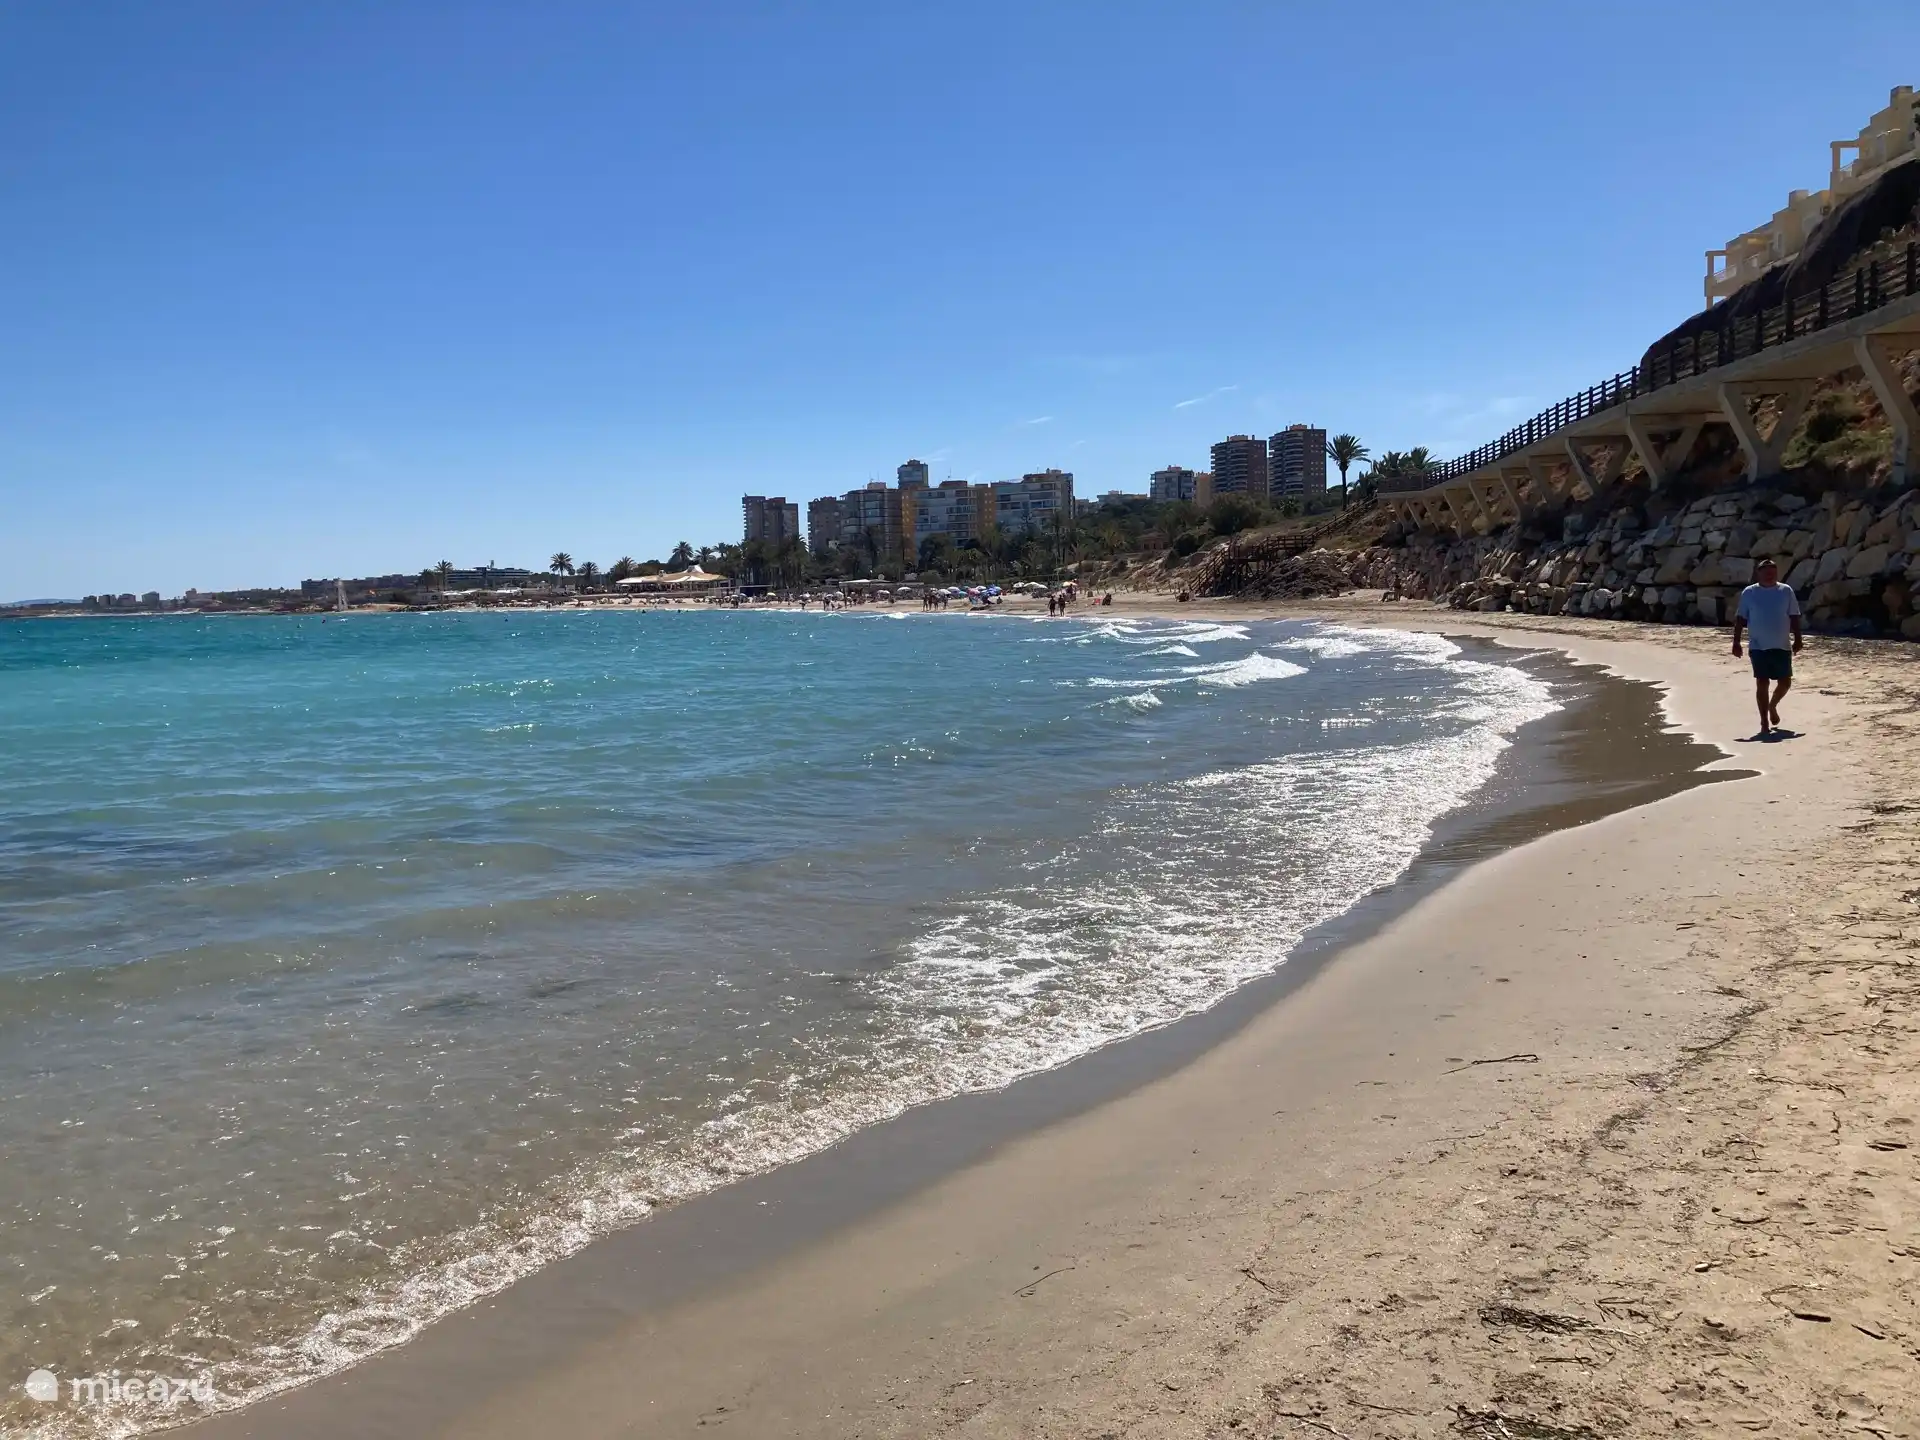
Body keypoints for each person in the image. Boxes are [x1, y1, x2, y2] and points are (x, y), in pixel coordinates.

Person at [1731, 557, 1804, 736]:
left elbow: (1794, 616)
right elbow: (1741, 618)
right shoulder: (1749, 592)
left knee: (1785, 681)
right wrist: (1736, 642)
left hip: (1782, 644)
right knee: (1762, 682)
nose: (1770, 574)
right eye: (1766, 571)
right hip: (1758, 645)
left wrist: (1798, 639)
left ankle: (1772, 705)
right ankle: (1764, 721)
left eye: (1773, 571)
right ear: (1758, 573)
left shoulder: (1785, 591)